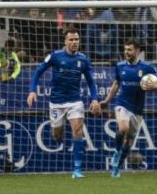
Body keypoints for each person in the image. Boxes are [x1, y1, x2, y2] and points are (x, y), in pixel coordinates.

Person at [27, 27, 101, 178]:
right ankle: (58, 135)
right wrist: (32, 90)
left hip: (75, 102)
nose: (74, 42)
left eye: (77, 39)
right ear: (65, 41)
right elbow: (38, 72)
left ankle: (77, 169)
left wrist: (94, 99)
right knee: (57, 135)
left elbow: (91, 82)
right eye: (71, 39)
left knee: (78, 131)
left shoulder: (83, 59)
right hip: (56, 103)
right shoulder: (55, 56)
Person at [100, 39, 157, 177]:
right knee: (123, 128)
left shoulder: (146, 68)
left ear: (137, 51)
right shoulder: (120, 66)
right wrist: (107, 100)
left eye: (129, 49)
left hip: (137, 108)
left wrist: (156, 86)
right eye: (125, 49)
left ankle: (116, 168)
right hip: (122, 103)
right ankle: (116, 151)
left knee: (129, 142)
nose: (126, 52)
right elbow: (116, 84)